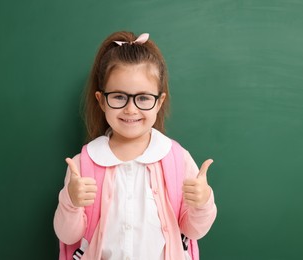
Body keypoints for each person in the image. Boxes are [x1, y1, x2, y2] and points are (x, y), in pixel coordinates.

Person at [54, 31, 217, 260]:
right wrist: (71, 202)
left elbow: (193, 231)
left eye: (143, 98)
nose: (131, 109)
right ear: (101, 100)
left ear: (159, 102)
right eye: (119, 97)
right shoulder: (83, 164)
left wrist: (202, 203)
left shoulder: (177, 159)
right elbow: (68, 236)